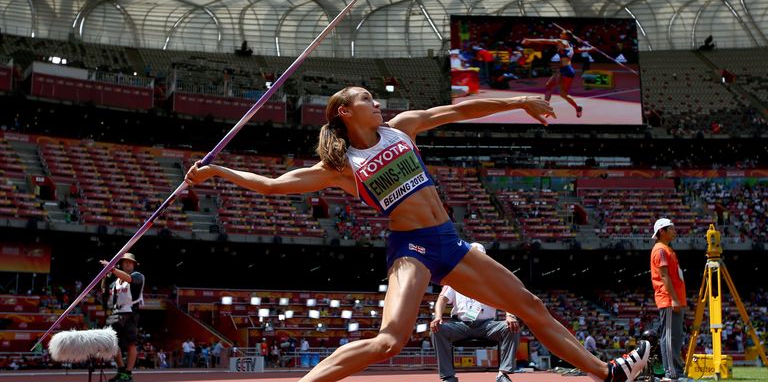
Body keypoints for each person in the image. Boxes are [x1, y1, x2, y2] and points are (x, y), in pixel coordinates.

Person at [185, 86, 648, 382]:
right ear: (345, 111)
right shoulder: (341, 167)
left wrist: (518, 102)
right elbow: (273, 184)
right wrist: (217, 171)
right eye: (367, 97)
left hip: (449, 242)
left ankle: (607, 373)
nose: (377, 102)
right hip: (411, 249)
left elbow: (456, 110)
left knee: (529, 305)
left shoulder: (400, 129)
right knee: (390, 341)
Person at [430, 243, 520, 382]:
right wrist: (438, 317)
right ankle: (448, 377)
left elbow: (507, 298)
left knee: (511, 327)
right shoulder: (454, 278)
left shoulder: (493, 280)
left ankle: (503, 374)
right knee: (437, 329)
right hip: (461, 325)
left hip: (487, 326)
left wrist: (510, 315)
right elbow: (442, 300)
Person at [650, 218, 687, 382]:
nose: (675, 231)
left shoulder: (666, 249)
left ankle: (676, 372)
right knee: (670, 336)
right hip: (669, 300)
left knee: (676, 336)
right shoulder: (660, 250)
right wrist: (674, 299)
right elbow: (664, 275)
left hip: (674, 299)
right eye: (671, 228)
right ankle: (672, 373)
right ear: (662, 232)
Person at [522, 31, 592, 118]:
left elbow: (545, 41)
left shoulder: (563, 41)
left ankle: (577, 108)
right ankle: (547, 109)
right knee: (549, 86)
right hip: (564, 70)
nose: (560, 35)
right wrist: (590, 49)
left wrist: (530, 40)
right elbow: (578, 51)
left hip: (565, 71)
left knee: (563, 94)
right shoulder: (570, 45)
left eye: (562, 34)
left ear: (566, 36)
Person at [100, 253, 145, 382]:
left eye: (130, 262)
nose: (127, 264)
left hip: (130, 313)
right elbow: (104, 291)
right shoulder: (115, 282)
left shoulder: (138, 276)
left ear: (134, 264)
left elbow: (129, 279)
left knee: (131, 344)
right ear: (121, 264)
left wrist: (112, 269)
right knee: (113, 343)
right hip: (116, 313)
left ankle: (128, 373)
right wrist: (105, 276)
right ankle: (121, 370)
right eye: (125, 262)